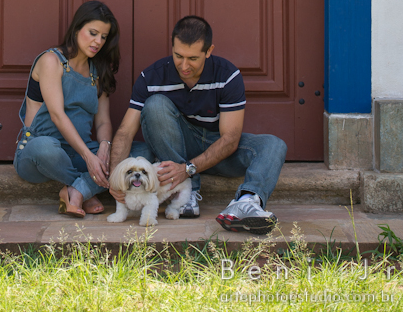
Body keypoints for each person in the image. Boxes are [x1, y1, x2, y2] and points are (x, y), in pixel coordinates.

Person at [109, 15, 287, 234]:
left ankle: (247, 202)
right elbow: (126, 132)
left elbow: (230, 139)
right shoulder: (151, 77)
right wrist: (114, 178)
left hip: (219, 149)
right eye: (178, 56)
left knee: (274, 145)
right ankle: (187, 192)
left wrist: (188, 169)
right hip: (176, 147)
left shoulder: (228, 75)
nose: (184, 65)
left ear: (209, 51)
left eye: (192, 58)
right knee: (154, 106)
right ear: (172, 47)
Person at [14, 0, 124, 217]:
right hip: (39, 154)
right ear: (76, 28)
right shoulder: (51, 60)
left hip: (78, 153)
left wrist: (105, 146)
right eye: (93, 33)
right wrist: (89, 158)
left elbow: (103, 121)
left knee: (135, 153)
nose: (98, 41)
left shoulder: (98, 70)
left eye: (103, 37)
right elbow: (57, 115)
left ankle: (78, 191)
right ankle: (85, 189)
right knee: (44, 147)